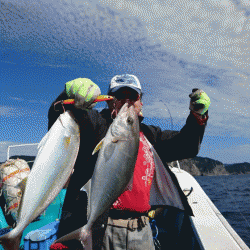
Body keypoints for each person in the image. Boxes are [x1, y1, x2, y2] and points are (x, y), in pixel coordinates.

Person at [48, 74, 210, 250]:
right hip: (101, 230)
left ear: (141, 102)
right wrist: (67, 95)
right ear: (109, 102)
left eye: (132, 96)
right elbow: (62, 119)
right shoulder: (95, 125)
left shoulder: (151, 135)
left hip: (142, 230)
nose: (127, 101)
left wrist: (197, 116)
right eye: (119, 96)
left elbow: (187, 145)